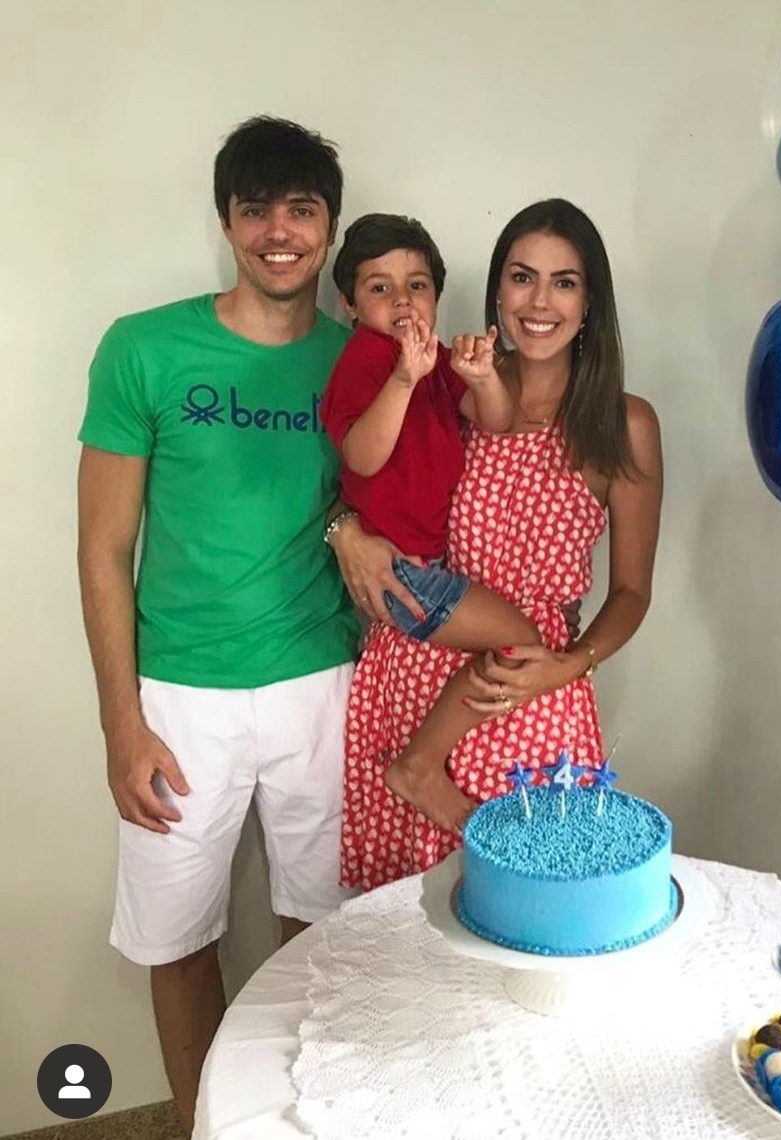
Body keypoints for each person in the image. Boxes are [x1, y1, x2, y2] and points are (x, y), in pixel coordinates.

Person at [76, 116, 357, 1136]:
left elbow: (384, 508)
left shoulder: (359, 360)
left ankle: (299, 1118)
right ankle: (206, 1124)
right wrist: (122, 723)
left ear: (329, 228)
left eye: (301, 211)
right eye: (255, 211)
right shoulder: (143, 349)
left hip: (321, 683)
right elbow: (103, 547)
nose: (279, 233)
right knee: (177, 940)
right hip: (178, 696)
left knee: (322, 932)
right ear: (227, 223)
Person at [327, 198, 663, 891]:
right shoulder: (446, 383)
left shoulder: (624, 424)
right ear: (497, 290)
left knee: (531, 910)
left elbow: (632, 592)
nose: (539, 302)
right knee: (410, 929)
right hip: (415, 674)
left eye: (563, 282)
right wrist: (345, 531)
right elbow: (364, 473)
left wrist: (569, 666)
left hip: (527, 687)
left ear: (589, 302)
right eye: (521, 276)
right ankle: (419, 770)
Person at [320, 214, 543, 832]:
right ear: (349, 304)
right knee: (520, 640)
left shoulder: (435, 359)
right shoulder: (365, 360)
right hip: (397, 572)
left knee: (517, 642)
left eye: (416, 285)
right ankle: (418, 767)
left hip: (425, 566)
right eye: (379, 288)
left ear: (436, 297)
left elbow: (496, 420)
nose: (401, 301)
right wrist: (402, 379)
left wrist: (483, 377)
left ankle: (422, 762)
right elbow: (362, 456)